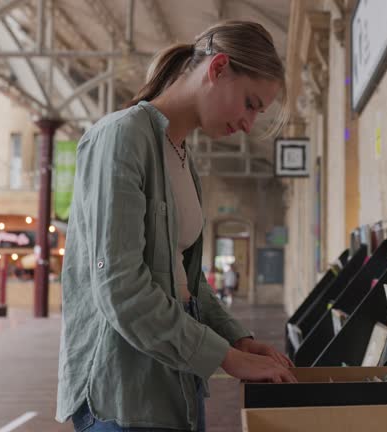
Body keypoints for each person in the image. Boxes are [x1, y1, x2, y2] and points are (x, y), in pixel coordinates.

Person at [56, 21, 296, 432]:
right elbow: (120, 286)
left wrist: (236, 338)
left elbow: (185, 278)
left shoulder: (182, 157)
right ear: (218, 68)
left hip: (173, 383)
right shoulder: (121, 136)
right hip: (122, 391)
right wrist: (228, 358)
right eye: (251, 103)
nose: (249, 124)